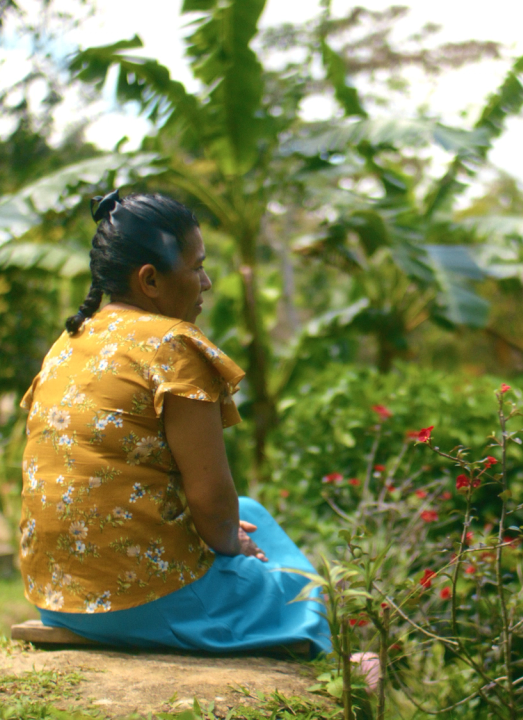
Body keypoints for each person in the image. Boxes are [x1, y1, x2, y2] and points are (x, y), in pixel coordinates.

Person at [17, 189, 330, 656]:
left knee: (254, 513)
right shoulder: (174, 345)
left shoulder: (68, 343)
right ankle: (331, 653)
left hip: (57, 597)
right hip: (141, 599)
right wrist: (233, 543)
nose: (205, 282)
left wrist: (232, 528)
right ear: (150, 280)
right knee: (304, 592)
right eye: (196, 266)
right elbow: (211, 504)